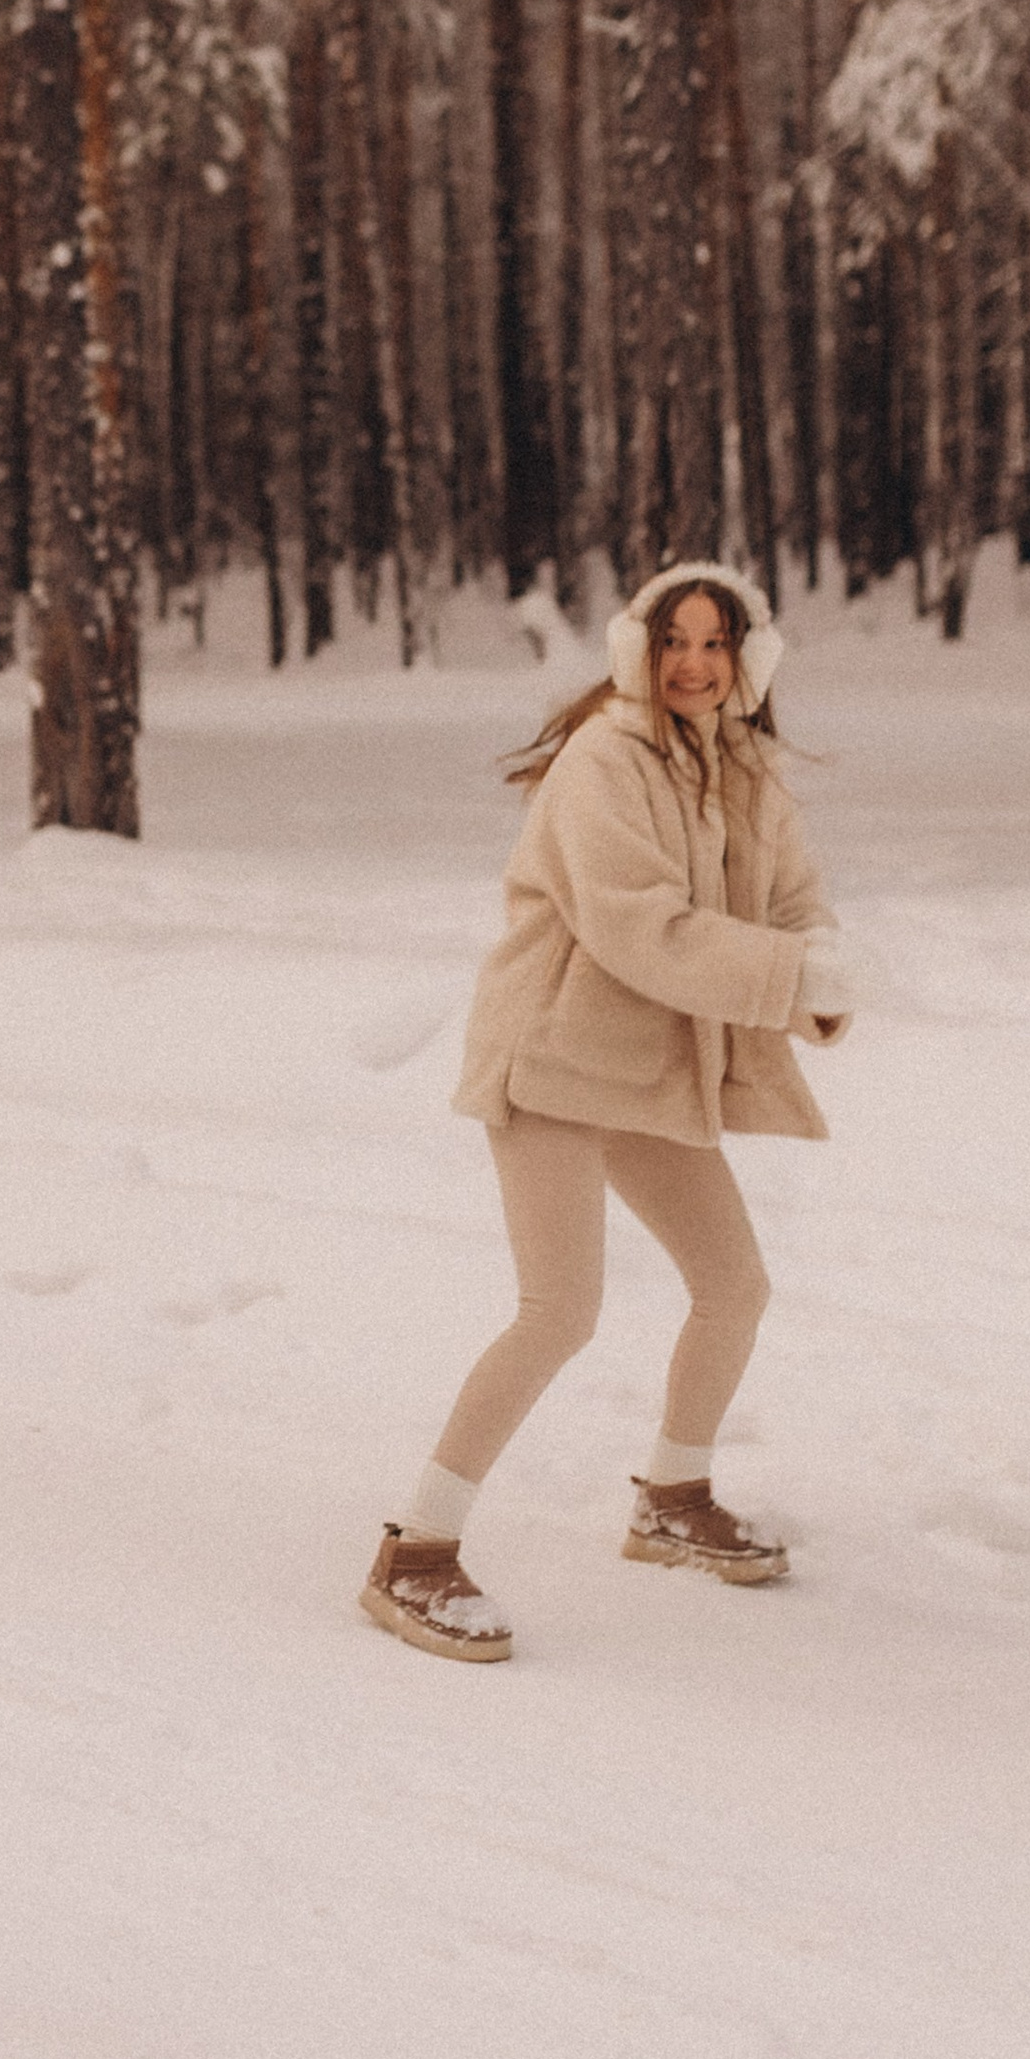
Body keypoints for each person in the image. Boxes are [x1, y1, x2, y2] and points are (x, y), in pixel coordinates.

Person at [360, 563, 859, 1667]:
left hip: (642, 1068)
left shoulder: (745, 769)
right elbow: (640, 927)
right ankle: (414, 1551)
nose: (693, 664)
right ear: (640, 649)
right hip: (549, 1057)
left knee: (733, 1284)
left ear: (747, 659)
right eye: (675, 640)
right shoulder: (603, 761)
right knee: (559, 1311)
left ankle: (671, 1498)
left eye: (715, 643)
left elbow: (790, 898)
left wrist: (819, 962)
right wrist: (787, 975)